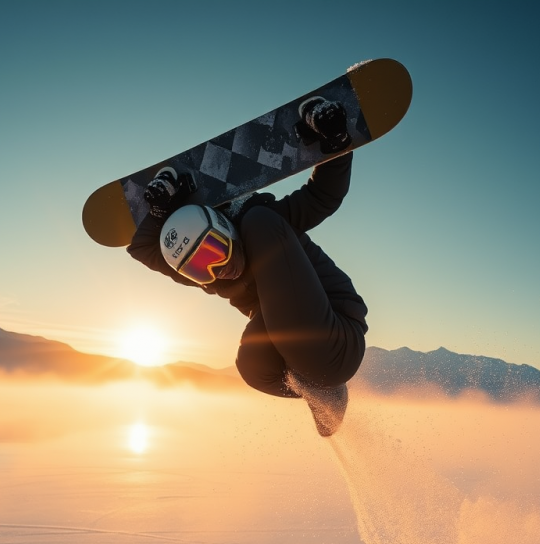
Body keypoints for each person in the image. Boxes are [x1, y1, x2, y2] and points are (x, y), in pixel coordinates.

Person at [127, 98, 368, 436]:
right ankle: (321, 392)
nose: (217, 269)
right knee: (252, 366)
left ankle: (323, 382)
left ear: (225, 231)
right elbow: (142, 249)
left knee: (258, 221)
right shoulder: (211, 274)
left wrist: (337, 144)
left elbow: (322, 197)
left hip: (336, 335)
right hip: (301, 357)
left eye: (215, 250)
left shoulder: (269, 225)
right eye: (200, 268)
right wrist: (157, 213)